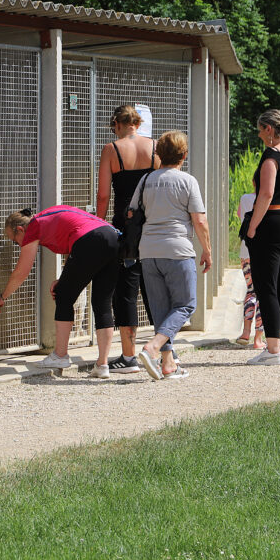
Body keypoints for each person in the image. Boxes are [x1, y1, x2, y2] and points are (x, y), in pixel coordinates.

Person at [0, 206, 119, 374]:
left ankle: (60, 355)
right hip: (113, 238)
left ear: (20, 229)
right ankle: (102, 365)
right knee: (101, 302)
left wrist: (3, 296)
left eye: (15, 241)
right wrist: (62, 280)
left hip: (90, 240)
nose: (18, 245)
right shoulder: (47, 217)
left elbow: (21, 272)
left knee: (63, 296)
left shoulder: (34, 227)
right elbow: (73, 243)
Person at [133, 131, 212, 380]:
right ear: (184, 155)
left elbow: (132, 212)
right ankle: (153, 347)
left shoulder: (146, 180)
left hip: (148, 251)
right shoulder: (187, 181)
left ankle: (168, 364)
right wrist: (207, 251)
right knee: (186, 305)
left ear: (158, 154)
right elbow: (199, 220)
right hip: (178, 250)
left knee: (161, 309)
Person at [95, 104, 159, 375]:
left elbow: (102, 196)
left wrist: (98, 224)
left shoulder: (112, 149)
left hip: (124, 224)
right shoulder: (156, 147)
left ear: (117, 124)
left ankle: (129, 356)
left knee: (126, 291)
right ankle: (164, 350)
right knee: (155, 288)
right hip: (152, 222)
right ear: (138, 122)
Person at [243, 109, 280, 366]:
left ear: (269, 129)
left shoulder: (271, 156)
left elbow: (265, 195)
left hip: (272, 223)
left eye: (260, 130)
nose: (259, 135)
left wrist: (252, 227)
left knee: (267, 287)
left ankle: (272, 350)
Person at [234, 192, 265, 349]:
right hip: (265, 252)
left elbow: (240, 215)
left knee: (251, 291)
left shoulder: (245, 198)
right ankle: (258, 339)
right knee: (264, 294)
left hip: (246, 252)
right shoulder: (271, 198)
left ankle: (245, 332)